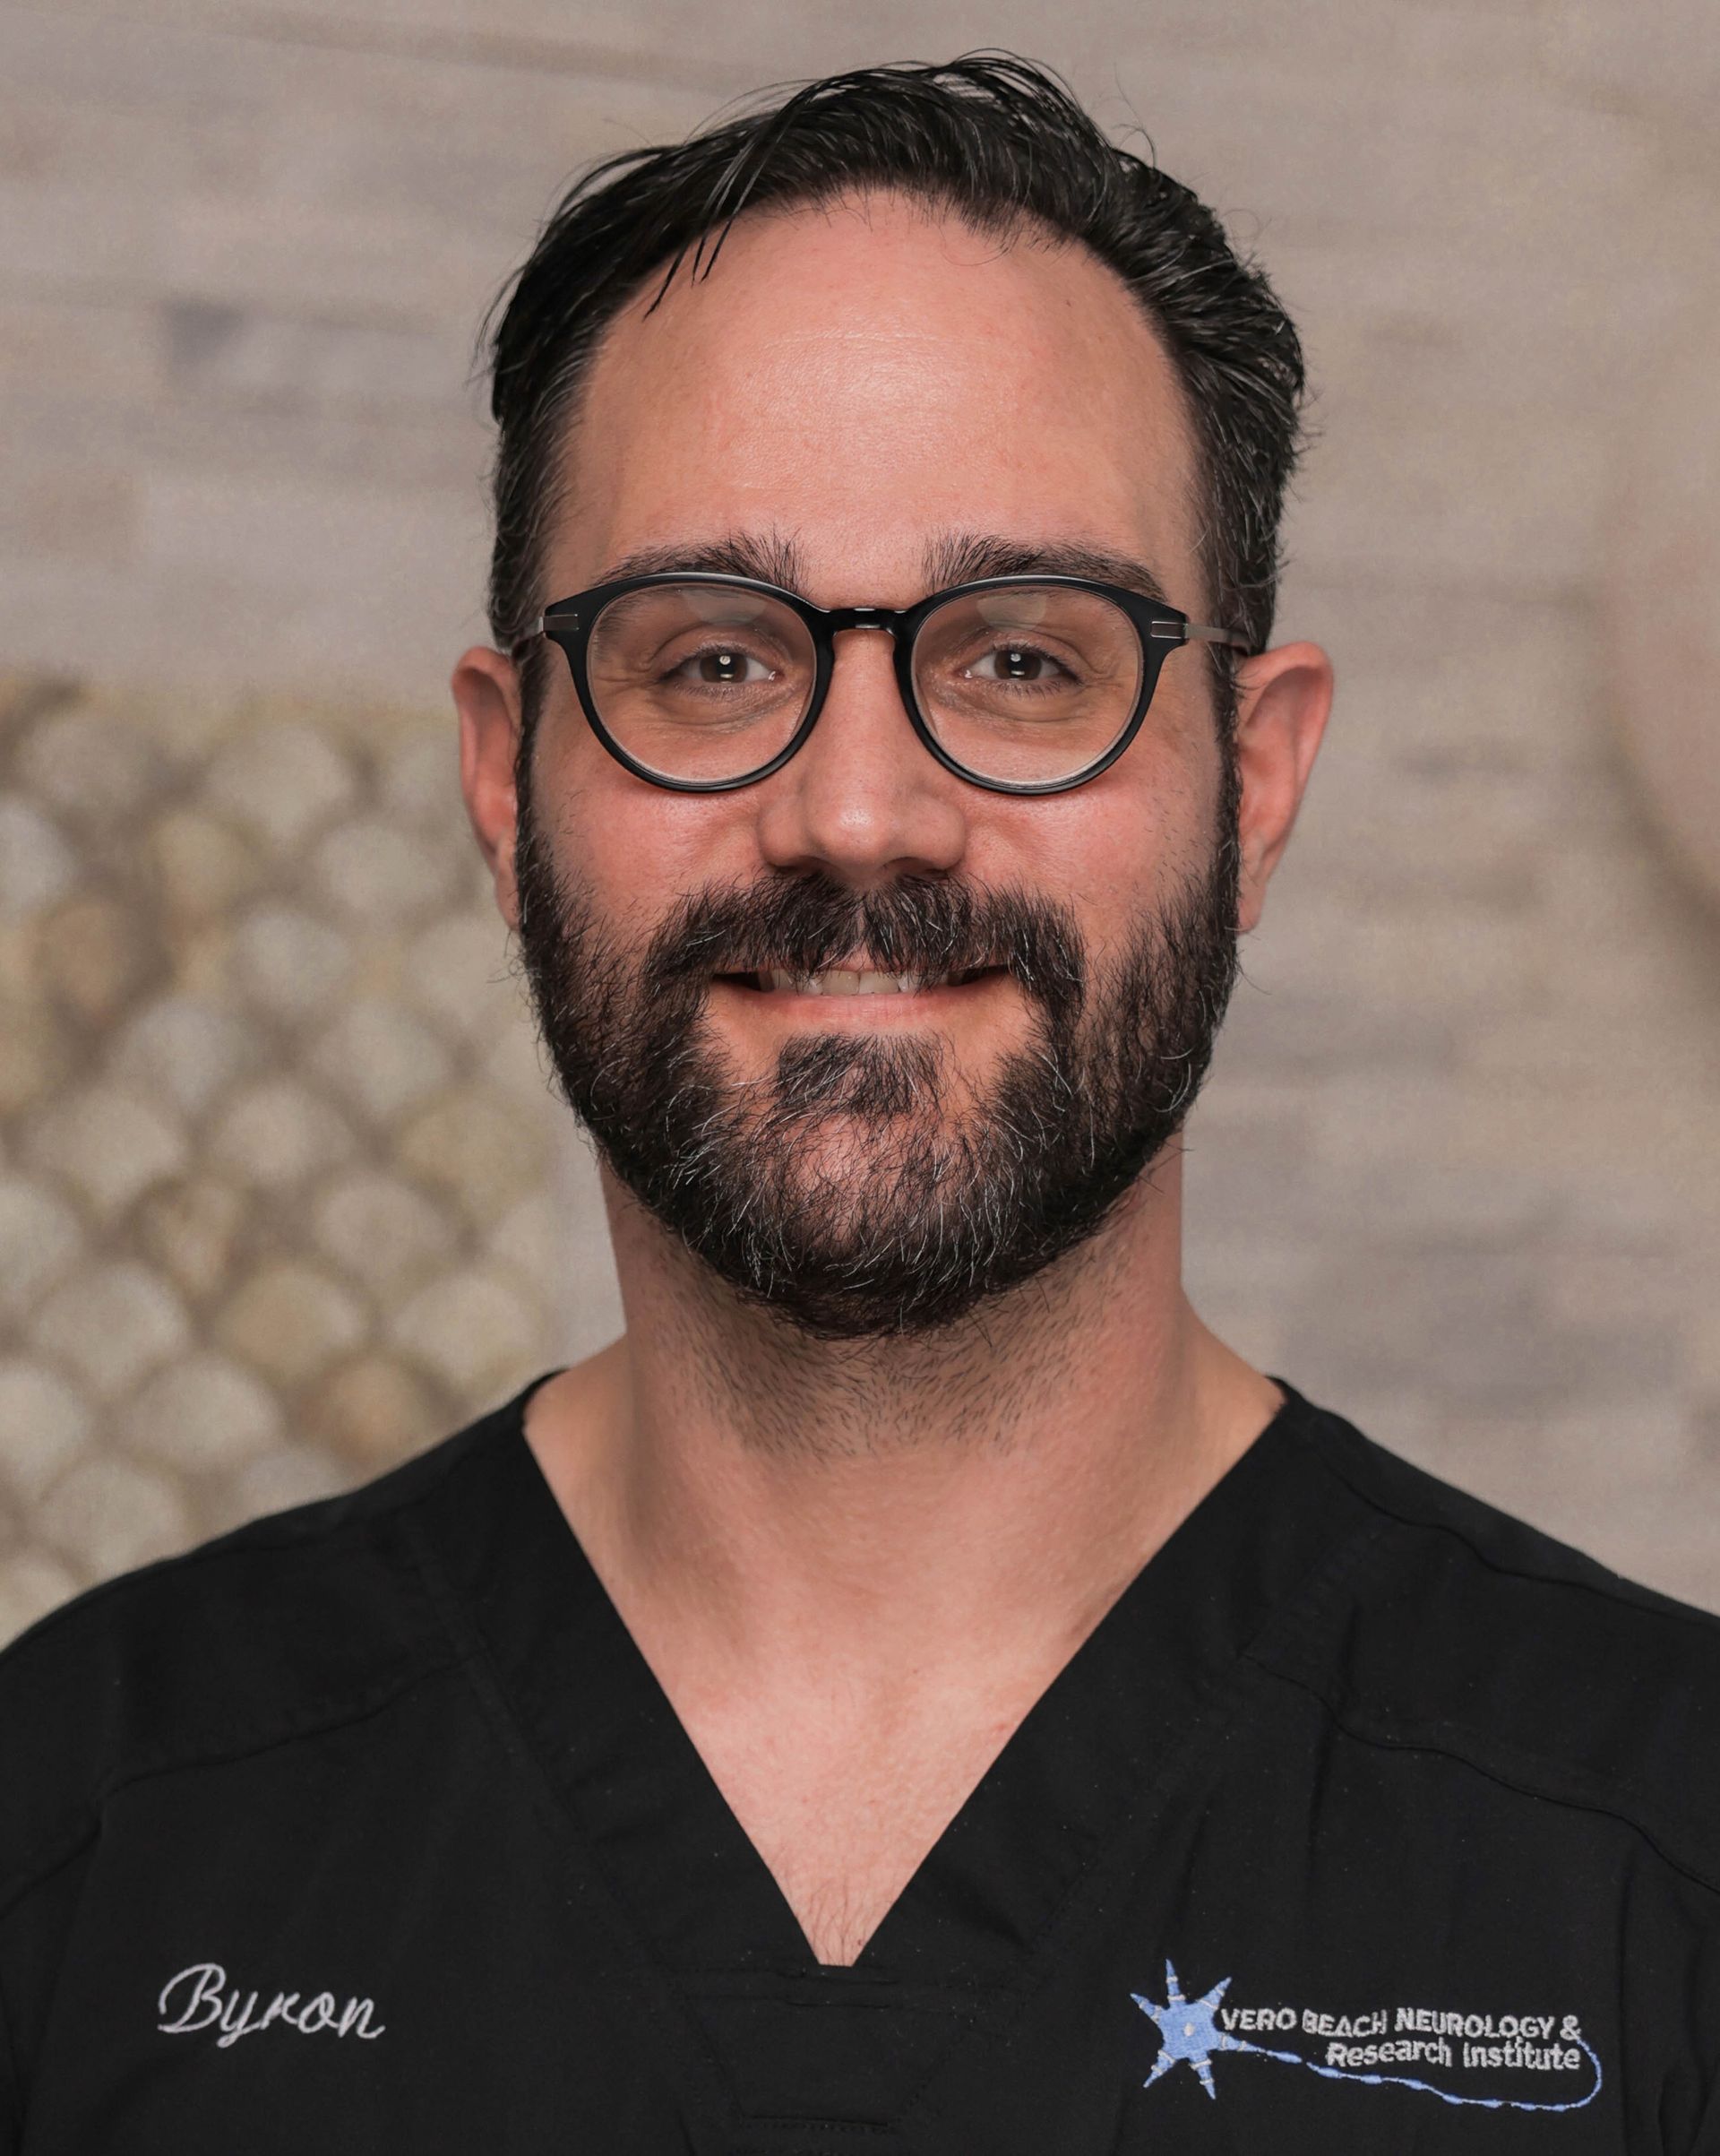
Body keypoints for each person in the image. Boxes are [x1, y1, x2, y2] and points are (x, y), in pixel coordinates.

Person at [2, 54, 1717, 2155]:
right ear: (506, 775)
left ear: (1256, 783)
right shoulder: (85, 1832)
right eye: (712, 658)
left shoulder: (1656, 1857)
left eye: (1025, 660)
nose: (858, 811)